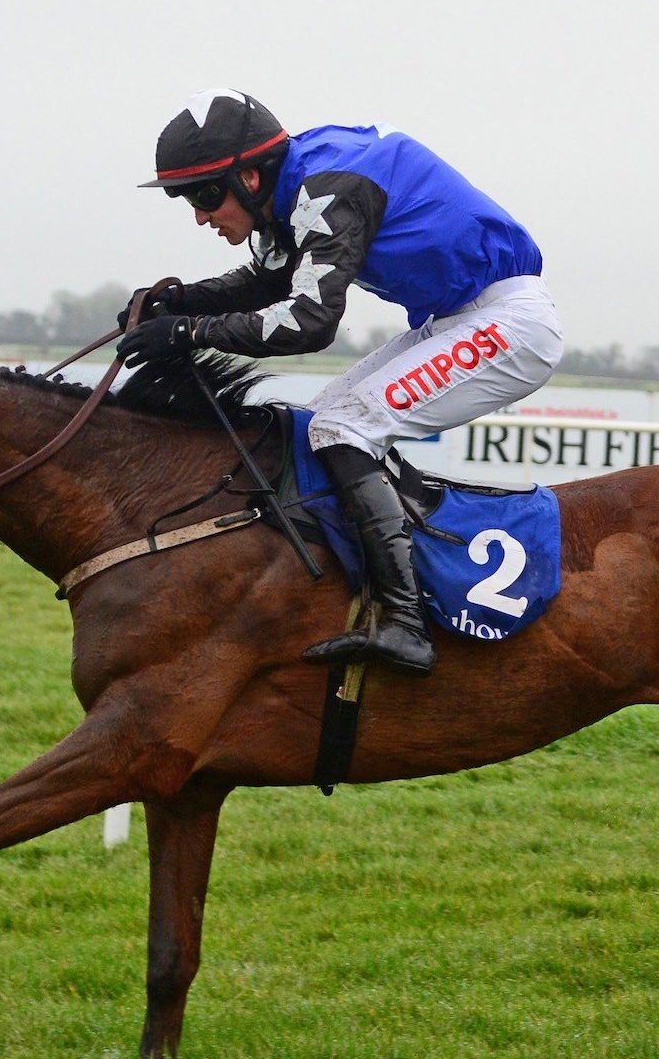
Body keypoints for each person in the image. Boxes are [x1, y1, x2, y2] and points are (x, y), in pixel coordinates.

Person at [116, 89, 563, 673]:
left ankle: (406, 621)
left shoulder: (326, 188)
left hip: (509, 322)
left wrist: (186, 332)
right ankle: (366, 585)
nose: (200, 215)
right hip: (461, 317)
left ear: (251, 177)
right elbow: (270, 283)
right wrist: (175, 304)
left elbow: (308, 321)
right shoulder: (296, 183)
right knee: (318, 427)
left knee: (344, 427)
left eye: (205, 195)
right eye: (186, 199)